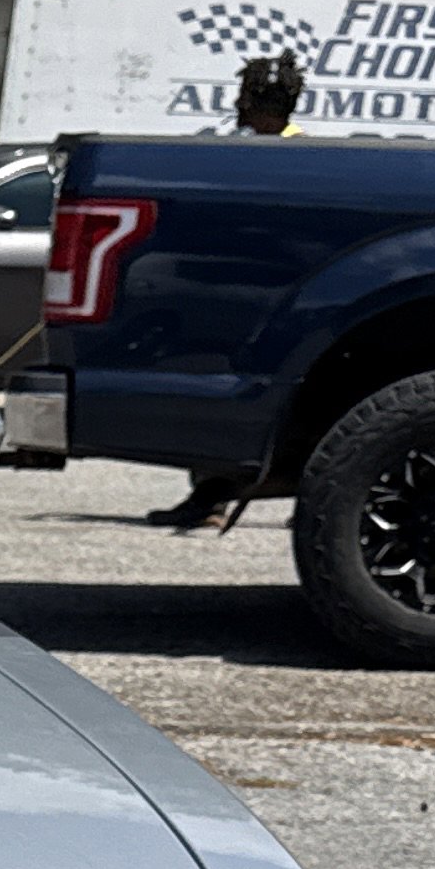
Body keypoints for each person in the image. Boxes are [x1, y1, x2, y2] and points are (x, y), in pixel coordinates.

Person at [147, 55, 306, 529]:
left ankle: (212, 499)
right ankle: (214, 495)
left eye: (243, 98)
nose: (236, 106)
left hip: (251, 294)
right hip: (270, 293)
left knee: (221, 396)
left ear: (255, 104)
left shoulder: (275, 156)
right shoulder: (304, 151)